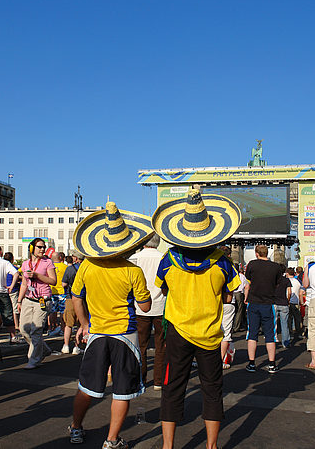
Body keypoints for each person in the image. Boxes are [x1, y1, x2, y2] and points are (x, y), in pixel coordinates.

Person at [152, 188, 241, 449]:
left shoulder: (169, 259)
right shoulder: (223, 263)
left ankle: (168, 446)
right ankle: (211, 445)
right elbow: (229, 295)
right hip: (210, 335)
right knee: (212, 389)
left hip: (178, 332)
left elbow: (163, 289)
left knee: (172, 388)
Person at [69, 201, 153, 449]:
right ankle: (112, 439)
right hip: (125, 335)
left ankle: (76, 428)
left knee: (87, 387)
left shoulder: (87, 265)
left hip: (96, 332)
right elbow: (145, 306)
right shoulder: (132, 270)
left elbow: (76, 296)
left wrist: (84, 323)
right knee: (122, 391)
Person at [129, 233, 165, 390]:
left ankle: (141, 379)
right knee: (161, 345)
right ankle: (159, 381)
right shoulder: (163, 258)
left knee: (141, 346)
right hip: (161, 306)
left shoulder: (135, 258)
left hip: (140, 307)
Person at [18, 238, 57, 369]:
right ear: (31, 249)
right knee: (24, 330)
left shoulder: (48, 262)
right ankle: (43, 349)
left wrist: (37, 276)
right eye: (39, 247)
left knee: (36, 330)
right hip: (28, 299)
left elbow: (53, 281)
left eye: (43, 247)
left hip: (42, 300)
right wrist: (19, 300)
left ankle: (33, 360)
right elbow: (24, 284)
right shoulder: (25, 264)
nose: (42, 249)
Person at [244, 245, 282, 373]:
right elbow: (277, 283)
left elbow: (248, 282)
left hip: (253, 302)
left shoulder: (252, 265)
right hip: (269, 303)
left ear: (256, 253)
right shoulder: (276, 267)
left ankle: (252, 363)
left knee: (252, 334)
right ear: (268, 253)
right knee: (270, 335)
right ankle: (272, 364)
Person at [61, 250, 85, 355]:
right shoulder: (86, 268)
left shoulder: (69, 269)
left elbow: (63, 284)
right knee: (81, 323)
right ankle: (77, 346)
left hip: (70, 297)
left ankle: (66, 345)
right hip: (84, 298)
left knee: (68, 324)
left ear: (75, 258)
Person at [0, 246, 21, 343]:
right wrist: (11, 286)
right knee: (7, 314)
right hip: (2, 290)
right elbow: (16, 273)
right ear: (1, 252)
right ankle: (13, 336)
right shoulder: (5, 263)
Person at [48, 251, 67, 336]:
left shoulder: (49, 267)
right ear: (60, 258)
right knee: (63, 312)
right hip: (62, 292)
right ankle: (63, 329)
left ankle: (52, 328)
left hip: (52, 291)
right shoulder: (65, 267)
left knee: (53, 311)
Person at [274, 264, 292, 349]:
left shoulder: (273, 280)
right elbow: (289, 292)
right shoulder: (286, 280)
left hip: (274, 302)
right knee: (284, 324)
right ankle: (286, 342)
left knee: (273, 323)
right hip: (284, 303)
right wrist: (287, 300)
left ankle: (273, 340)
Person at [4, 252, 21, 336]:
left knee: (5, 309)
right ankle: (16, 325)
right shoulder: (13, 268)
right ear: (12, 259)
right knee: (14, 309)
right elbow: (18, 275)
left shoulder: (2, 267)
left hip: (4, 289)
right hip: (13, 290)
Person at [286, 267, 303, 340]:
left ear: (287, 273)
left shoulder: (286, 281)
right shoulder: (298, 281)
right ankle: (299, 333)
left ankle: (290, 333)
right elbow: (300, 292)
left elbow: (287, 293)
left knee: (289, 319)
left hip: (288, 302)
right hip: (296, 302)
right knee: (297, 319)